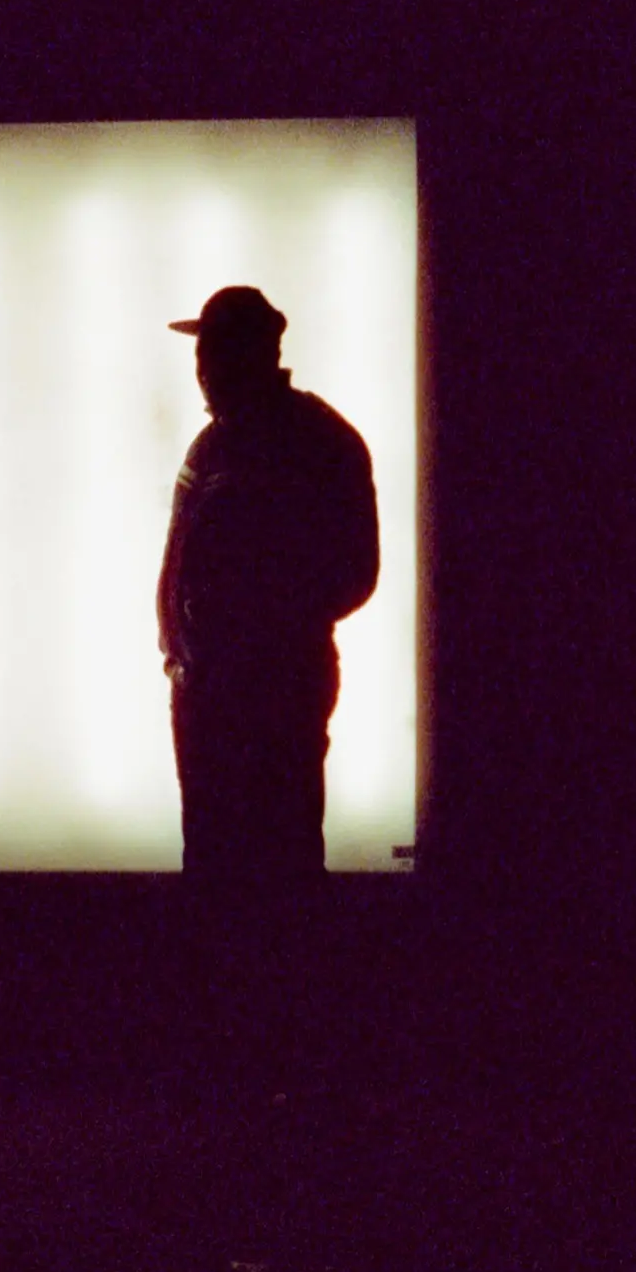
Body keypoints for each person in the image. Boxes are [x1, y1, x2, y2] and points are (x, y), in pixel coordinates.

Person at [156, 287, 379, 884]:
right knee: (208, 858)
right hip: (204, 696)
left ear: (257, 353)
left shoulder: (319, 443)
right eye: (200, 353)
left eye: (214, 351)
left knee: (281, 859)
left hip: (274, 698)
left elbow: (356, 572)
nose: (201, 368)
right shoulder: (213, 444)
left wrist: (256, 629)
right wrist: (183, 656)